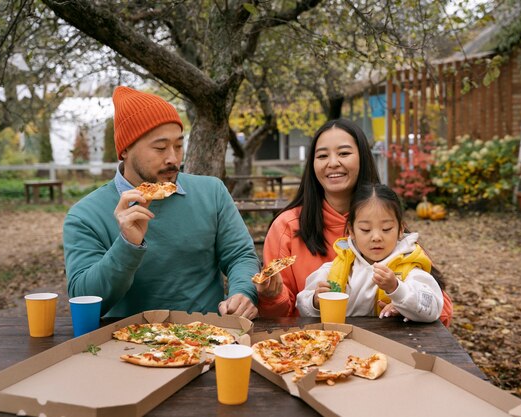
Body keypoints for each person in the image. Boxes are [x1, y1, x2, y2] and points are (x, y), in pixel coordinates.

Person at [63, 86, 259, 319]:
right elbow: (84, 299)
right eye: (160, 148)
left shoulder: (212, 192)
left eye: (178, 145)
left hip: (208, 336)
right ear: (125, 149)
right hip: (125, 345)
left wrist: (243, 292)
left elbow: (240, 255)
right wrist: (126, 246)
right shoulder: (85, 215)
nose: (173, 159)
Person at [255, 119, 380, 317]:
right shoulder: (286, 227)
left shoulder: (384, 222)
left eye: (344, 153)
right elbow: (278, 315)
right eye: (322, 156)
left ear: (363, 158)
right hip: (308, 343)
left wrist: (401, 299)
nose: (332, 163)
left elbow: (439, 308)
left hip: (379, 343)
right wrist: (272, 296)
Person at [296, 183, 453, 326]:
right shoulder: (336, 269)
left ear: (400, 230)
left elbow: (433, 309)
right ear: (351, 231)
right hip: (342, 347)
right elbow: (302, 305)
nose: (376, 237)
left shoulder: (409, 269)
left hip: (394, 349)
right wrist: (315, 302)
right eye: (365, 229)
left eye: (386, 229)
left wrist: (397, 290)